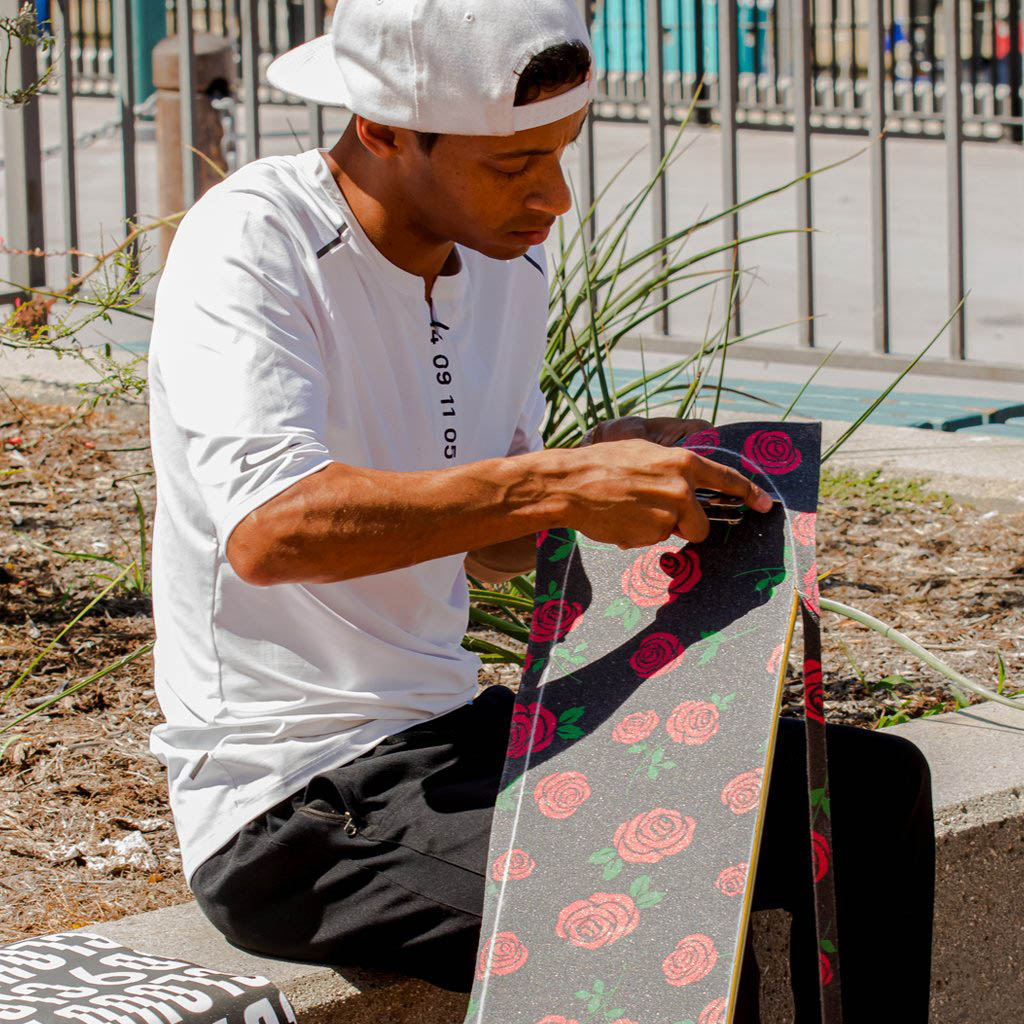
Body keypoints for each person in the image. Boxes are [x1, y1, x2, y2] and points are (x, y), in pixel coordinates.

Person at [146, 0, 935, 1020]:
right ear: (382, 127)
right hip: (291, 802)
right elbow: (271, 530)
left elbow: (492, 553)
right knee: (663, 918)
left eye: (561, 152)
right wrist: (556, 484)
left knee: (867, 797)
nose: (553, 197)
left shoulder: (502, 259)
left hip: (452, 728)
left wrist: (604, 468)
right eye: (511, 164)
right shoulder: (255, 240)